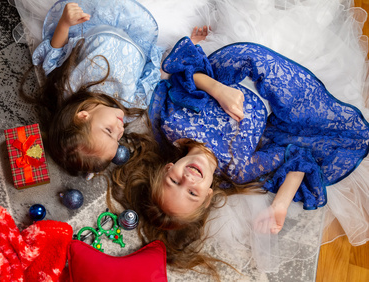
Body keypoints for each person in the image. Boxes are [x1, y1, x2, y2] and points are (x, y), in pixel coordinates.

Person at [110, 16, 369, 278]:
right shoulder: (240, 168)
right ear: (208, 195)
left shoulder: (173, 125)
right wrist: (279, 204)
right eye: (192, 193)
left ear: (168, 168)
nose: (187, 179)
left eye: (175, 182)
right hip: (276, 95)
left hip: (231, 64)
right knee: (325, 120)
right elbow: (298, 158)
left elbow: (181, 77)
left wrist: (218, 90)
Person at [22, 0, 163, 176]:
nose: (120, 130)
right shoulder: (129, 108)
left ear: (82, 116)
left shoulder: (70, 88)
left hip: (100, 20)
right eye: (118, 139)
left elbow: (54, 56)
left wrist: (65, 22)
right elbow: (151, 77)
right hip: (139, 36)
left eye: (109, 131)